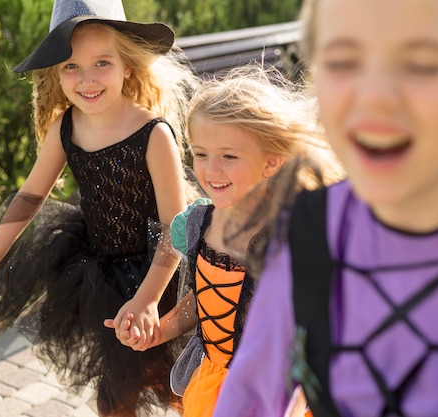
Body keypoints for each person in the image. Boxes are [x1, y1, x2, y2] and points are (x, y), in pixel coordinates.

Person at [213, 0, 438, 416]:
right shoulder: (310, 233)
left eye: (421, 63)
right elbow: (247, 399)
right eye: (343, 62)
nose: (375, 97)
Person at [0, 0, 197, 416]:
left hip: (160, 278)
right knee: (116, 394)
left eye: (101, 62)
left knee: (178, 388)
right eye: (71, 66)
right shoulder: (65, 128)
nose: (87, 79)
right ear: (56, 73)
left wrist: (145, 300)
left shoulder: (153, 135)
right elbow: (30, 197)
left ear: (127, 65)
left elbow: (173, 230)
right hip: (100, 279)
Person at [107, 65, 341, 417]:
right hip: (212, 388)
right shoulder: (198, 222)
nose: (210, 170)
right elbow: (203, 300)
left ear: (270, 162)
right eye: (201, 154)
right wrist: (159, 330)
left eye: (228, 156)